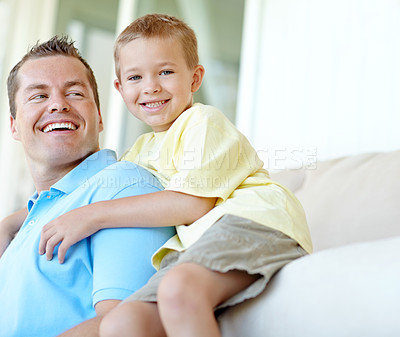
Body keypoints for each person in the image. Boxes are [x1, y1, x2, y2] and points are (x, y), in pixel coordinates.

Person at [13, 14, 312, 337]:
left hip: (255, 222)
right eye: (135, 77)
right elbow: (93, 191)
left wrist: (90, 216)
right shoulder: (142, 150)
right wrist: (12, 223)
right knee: (123, 323)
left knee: (178, 290)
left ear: (195, 79)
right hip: (204, 241)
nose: (151, 87)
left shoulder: (201, 122)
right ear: (120, 88)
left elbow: (192, 204)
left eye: (166, 72)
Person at [0, 35, 174, 337]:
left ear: (99, 117)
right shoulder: (32, 217)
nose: (58, 104)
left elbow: (126, 327)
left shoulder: (124, 189)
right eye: (38, 96)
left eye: (75, 93)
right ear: (14, 126)